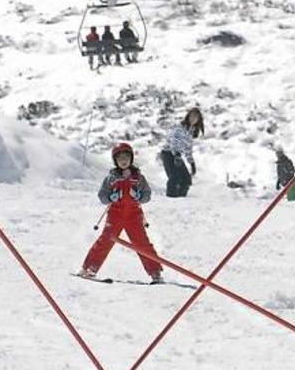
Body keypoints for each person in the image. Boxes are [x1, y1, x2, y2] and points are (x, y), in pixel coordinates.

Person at [78, 143, 162, 283]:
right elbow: (102, 195)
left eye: (126, 157)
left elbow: (147, 195)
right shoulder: (111, 178)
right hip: (115, 214)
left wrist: (139, 196)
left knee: (142, 243)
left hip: (133, 215)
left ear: (131, 159)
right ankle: (89, 268)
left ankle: (155, 272)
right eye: (120, 158)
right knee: (105, 240)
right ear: (115, 161)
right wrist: (110, 197)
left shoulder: (138, 178)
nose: (123, 161)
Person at [160, 107, 203, 197]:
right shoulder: (179, 127)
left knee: (186, 179)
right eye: (192, 116)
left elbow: (188, 149)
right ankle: (171, 198)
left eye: (196, 117)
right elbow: (174, 140)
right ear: (188, 116)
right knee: (175, 177)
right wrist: (176, 154)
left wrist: (192, 163)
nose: (193, 119)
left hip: (177, 156)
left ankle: (181, 198)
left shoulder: (190, 132)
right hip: (168, 154)